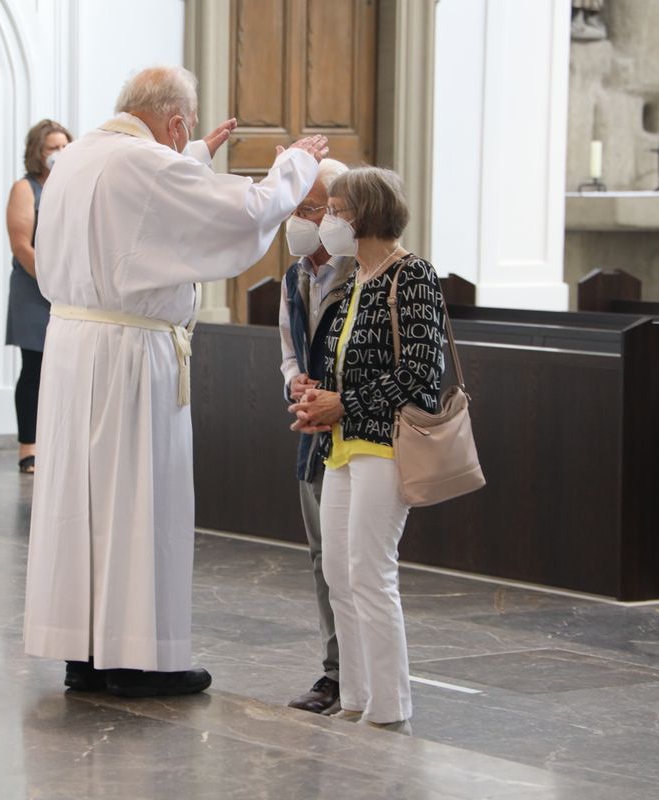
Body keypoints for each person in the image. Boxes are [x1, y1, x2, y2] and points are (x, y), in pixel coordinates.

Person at [23, 65, 329, 698]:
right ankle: (135, 659)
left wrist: (191, 155)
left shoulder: (78, 157)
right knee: (136, 501)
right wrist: (295, 165)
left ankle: (83, 655)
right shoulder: (145, 164)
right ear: (175, 120)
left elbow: (136, 210)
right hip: (130, 357)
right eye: (183, 132)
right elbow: (244, 212)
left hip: (74, 352)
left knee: (79, 506)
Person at [289, 167, 445, 733]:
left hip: (385, 444)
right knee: (338, 571)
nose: (327, 219)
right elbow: (337, 361)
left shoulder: (414, 276)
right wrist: (313, 395)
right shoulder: (354, 279)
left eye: (336, 208)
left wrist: (343, 403)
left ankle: (389, 706)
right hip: (341, 446)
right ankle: (355, 696)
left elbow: (421, 374)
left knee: (371, 572)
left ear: (367, 214)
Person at [276, 158, 355, 715]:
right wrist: (294, 380)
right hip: (312, 434)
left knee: (359, 562)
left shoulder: (365, 272)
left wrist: (338, 397)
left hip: (358, 433)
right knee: (323, 557)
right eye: (296, 208)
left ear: (336, 214)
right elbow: (288, 348)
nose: (300, 220)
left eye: (312, 209)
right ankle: (334, 673)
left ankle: (362, 672)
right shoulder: (295, 275)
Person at [6, 119, 72, 474]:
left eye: (65, 147)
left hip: (67, 288)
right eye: (52, 148)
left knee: (63, 370)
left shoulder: (71, 187)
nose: (59, 154)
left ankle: (58, 446)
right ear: (38, 152)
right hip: (35, 288)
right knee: (34, 367)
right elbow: (21, 245)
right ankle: (28, 449)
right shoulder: (26, 188)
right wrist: (50, 280)